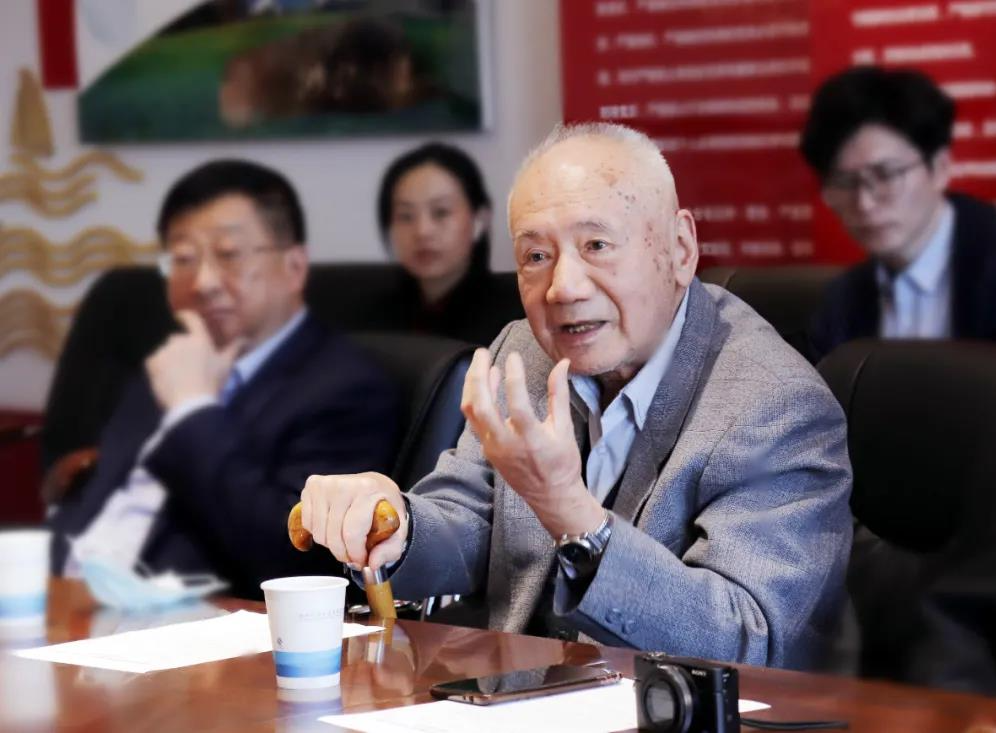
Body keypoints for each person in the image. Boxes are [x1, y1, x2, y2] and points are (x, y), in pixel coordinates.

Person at [301, 123, 853, 669]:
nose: (564, 288)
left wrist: (571, 513)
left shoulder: (774, 404)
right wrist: (397, 523)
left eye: (597, 246)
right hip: (518, 693)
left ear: (681, 249)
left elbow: (747, 640)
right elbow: (471, 518)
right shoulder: (524, 349)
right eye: (536, 257)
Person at [49, 160, 398, 598]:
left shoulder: (347, 389)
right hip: (69, 607)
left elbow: (292, 559)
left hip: (194, 625)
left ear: (294, 266)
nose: (203, 282)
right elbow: (90, 513)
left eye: (229, 255)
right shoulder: (167, 364)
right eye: (183, 259)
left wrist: (193, 411)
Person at [802, 65, 996, 360]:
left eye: (885, 174)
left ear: (940, 168)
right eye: (844, 182)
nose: (865, 202)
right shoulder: (842, 301)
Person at [367, 142, 523, 345]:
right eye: (406, 216)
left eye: (441, 212)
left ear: (479, 220)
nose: (422, 231)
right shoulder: (371, 321)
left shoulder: (518, 319)